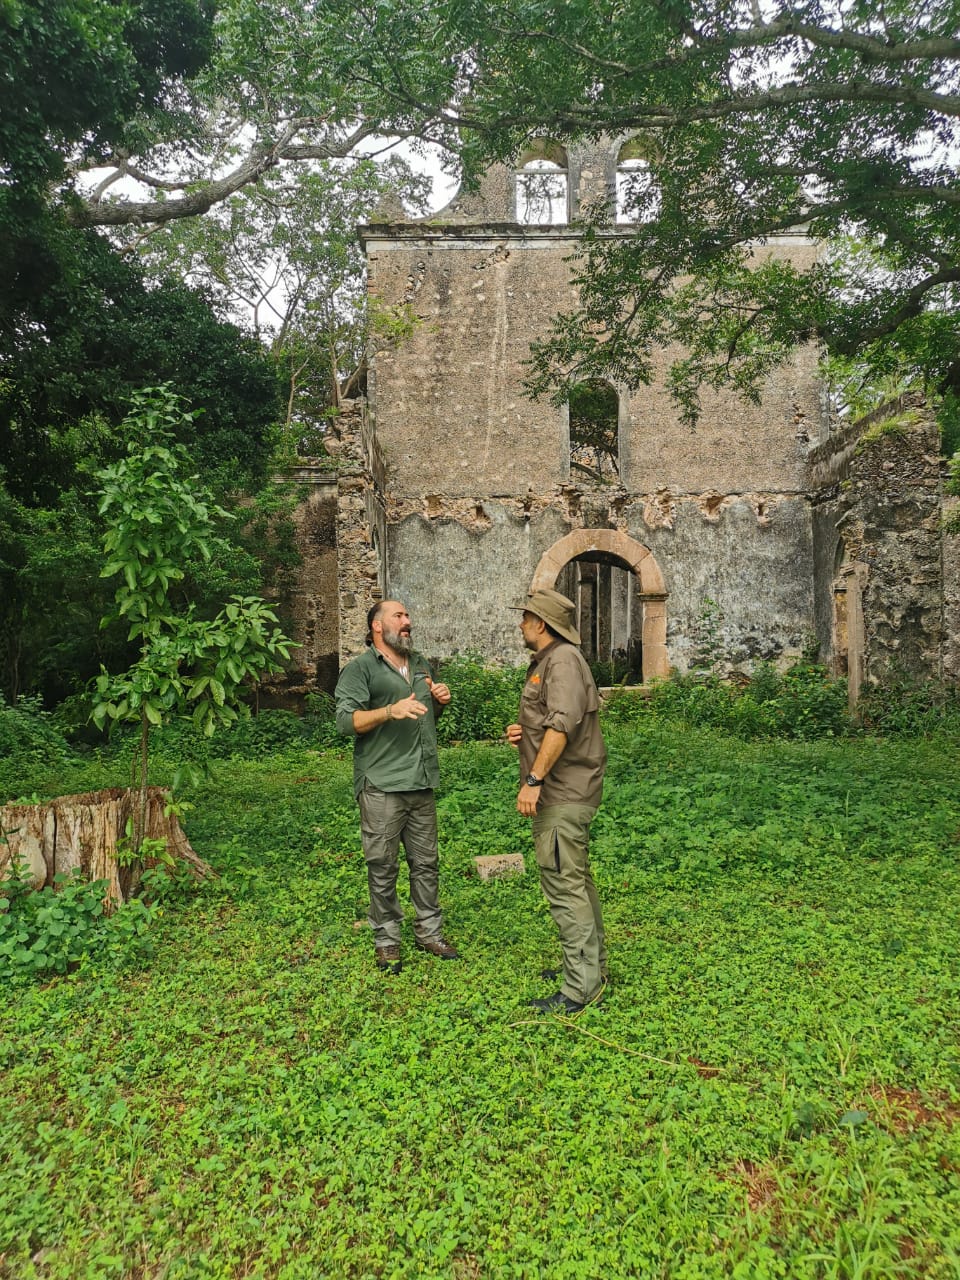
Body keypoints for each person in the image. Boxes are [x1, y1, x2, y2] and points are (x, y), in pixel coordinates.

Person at [335, 599, 460, 973]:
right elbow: (345, 722)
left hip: (421, 780)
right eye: (399, 616)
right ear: (377, 626)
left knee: (426, 863)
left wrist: (439, 701)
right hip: (382, 783)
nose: (408, 622)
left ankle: (429, 933)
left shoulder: (420, 663)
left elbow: (423, 715)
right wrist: (390, 710)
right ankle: (387, 940)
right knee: (383, 865)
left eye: (407, 616)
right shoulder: (360, 669)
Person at [506, 588, 607, 1014]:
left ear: (541, 624)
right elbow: (551, 721)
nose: (521, 624)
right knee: (576, 880)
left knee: (565, 886)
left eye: (526, 617)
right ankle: (590, 968)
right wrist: (524, 734)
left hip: (563, 792)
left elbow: (562, 726)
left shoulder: (562, 660)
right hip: (565, 789)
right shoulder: (549, 662)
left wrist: (533, 779)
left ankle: (579, 988)